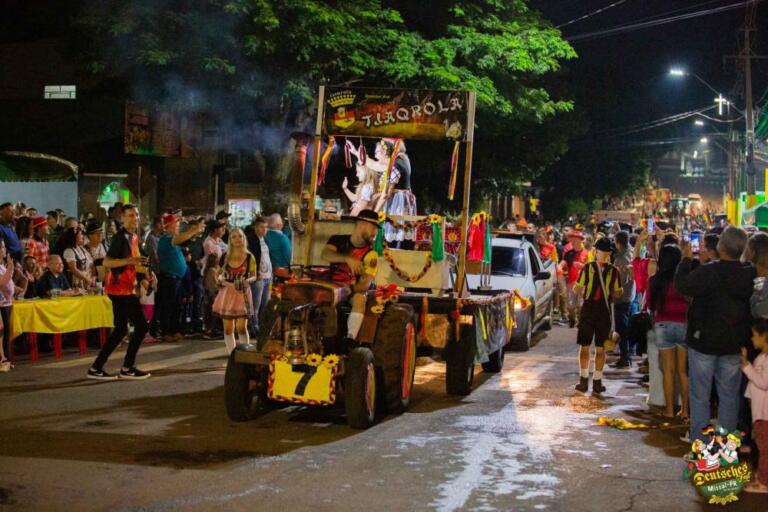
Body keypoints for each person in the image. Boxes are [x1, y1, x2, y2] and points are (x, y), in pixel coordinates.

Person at [675, 226, 755, 442]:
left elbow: (683, 285)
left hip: (704, 342)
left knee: (700, 395)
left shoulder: (709, 271)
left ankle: (700, 443)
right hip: (734, 343)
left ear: (720, 246)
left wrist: (685, 259)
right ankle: (727, 446)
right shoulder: (749, 273)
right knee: (729, 396)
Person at [88, 204, 152, 381]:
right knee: (142, 325)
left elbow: (137, 263)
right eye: (130, 215)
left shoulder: (133, 237)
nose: (135, 218)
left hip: (126, 288)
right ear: (123, 218)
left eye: (136, 215)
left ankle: (96, 367)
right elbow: (107, 262)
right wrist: (129, 260)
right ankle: (127, 367)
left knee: (120, 330)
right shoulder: (119, 238)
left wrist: (145, 277)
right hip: (119, 289)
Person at [321, 209, 379, 342]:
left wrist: (350, 290)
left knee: (359, 299)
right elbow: (325, 254)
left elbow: (366, 284)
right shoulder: (337, 240)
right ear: (361, 224)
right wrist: (347, 258)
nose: (375, 233)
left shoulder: (371, 254)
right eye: (373, 227)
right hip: (330, 286)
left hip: (351, 290)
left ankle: (350, 338)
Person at [573, 237, 622, 394]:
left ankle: (595, 381)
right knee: (586, 346)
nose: (606, 254)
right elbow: (617, 293)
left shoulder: (608, 270)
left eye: (607, 252)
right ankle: (586, 379)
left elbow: (577, 289)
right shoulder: (590, 268)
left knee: (599, 348)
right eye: (604, 251)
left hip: (600, 310)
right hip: (592, 309)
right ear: (597, 251)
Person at [649, 244, 689, 421]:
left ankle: (670, 410)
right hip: (684, 324)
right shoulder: (684, 279)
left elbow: (650, 305)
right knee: (683, 371)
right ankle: (686, 411)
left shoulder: (655, 280)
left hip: (663, 325)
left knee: (668, 371)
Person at [156, 213, 204, 343]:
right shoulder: (166, 239)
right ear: (168, 226)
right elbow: (182, 238)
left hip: (177, 279)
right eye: (175, 225)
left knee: (177, 306)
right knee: (169, 307)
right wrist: (193, 229)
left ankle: (175, 330)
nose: (177, 227)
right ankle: (166, 331)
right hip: (169, 278)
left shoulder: (174, 241)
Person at [213, 228, 257, 353]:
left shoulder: (250, 257)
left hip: (242, 293)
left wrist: (248, 281)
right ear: (230, 240)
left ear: (244, 239)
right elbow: (217, 273)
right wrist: (220, 279)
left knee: (241, 327)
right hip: (227, 293)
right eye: (234, 237)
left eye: (240, 236)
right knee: (228, 328)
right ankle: (232, 355)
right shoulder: (225, 257)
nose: (237, 239)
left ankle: (245, 353)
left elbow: (254, 275)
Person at [741, 319, 768, 493]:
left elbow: (763, 382)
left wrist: (746, 366)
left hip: (764, 414)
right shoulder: (761, 357)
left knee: (765, 449)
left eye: (754, 335)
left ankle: (764, 482)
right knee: (762, 446)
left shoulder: (765, 360)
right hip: (760, 413)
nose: (752, 339)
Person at [612, 231, 636, 368]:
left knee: (622, 328)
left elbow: (621, 279)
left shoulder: (622, 259)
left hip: (622, 297)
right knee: (624, 326)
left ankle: (625, 356)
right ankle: (627, 353)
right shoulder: (631, 252)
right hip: (629, 296)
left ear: (618, 242)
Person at [245, 216, 272, 334]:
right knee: (255, 305)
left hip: (267, 276)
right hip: (258, 277)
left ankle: (262, 327)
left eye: (266, 228)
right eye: (262, 227)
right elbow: (250, 258)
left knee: (265, 305)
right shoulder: (251, 240)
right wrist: (255, 272)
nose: (264, 230)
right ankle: (253, 328)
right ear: (255, 227)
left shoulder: (264, 240)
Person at [561, 231, 590, 328]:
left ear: (580, 240)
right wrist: (559, 267)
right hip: (571, 283)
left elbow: (592, 267)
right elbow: (564, 262)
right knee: (570, 305)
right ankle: (572, 318)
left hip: (583, 283)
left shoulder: (587, 253)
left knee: (581, 304)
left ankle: (580, 320)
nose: (572, 241)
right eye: (571, 239)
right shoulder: (569, 253)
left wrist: (582, 266)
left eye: (575, 239)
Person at [0, 240, 14, 370]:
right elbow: (2, 283)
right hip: (2, 304)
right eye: (3, 247)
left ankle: (7, 359)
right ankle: (3, 359)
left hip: (7, 303)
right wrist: (10, 268)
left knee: (6, 332)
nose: (5, 250)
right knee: (1, 332)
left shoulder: (2, 265)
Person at [202, 253, 220, 339]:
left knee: (210, 312)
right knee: (212, 312)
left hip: (210, 293)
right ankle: (211, 330)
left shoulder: (210, 270)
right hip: (212, 293)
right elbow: (214, 283)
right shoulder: (212, 271)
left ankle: (210, 329)